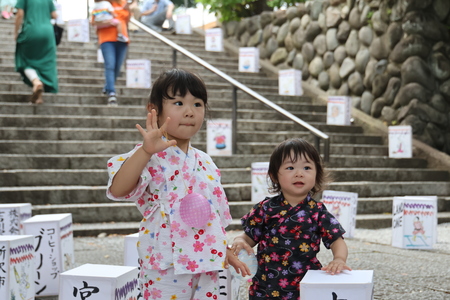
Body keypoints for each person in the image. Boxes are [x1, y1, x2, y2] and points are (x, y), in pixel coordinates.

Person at [106, 69, 249, 299]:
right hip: (165, 260)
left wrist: (225, 250)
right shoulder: (147, 155)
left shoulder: (205, 161)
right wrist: (145, 151)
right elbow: (118, 189)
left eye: (198, 104)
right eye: (179, 102)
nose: (190, 112)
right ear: (154, 110)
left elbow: (216, 212)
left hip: (208, 258)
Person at [231, 138, 352, 300]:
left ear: (317, 174)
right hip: (266, 285)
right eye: (290, 167)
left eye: (307, 167)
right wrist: (240, 240)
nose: (299, 173)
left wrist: (339, 258)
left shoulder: (318, 212)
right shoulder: (266, 208)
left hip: (305, 284)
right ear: (274, 176)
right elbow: (249, 237)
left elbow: (337, 240)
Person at [14, 0, 58, 104]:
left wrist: (16, 32)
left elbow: (20, 14)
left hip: (31, 30)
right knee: (44, 63)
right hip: (48, 33)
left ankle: (36, 81)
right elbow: (55, 15)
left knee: (24, 60)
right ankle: (39, 98)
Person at [92, 0, 130, 106]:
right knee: (110, 65)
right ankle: (111, 93)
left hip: (122, 39)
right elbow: (94, 22)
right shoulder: (100, 4)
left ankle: (107, 86)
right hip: (106, 38)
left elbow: (126, 19)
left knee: (117, 67)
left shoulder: (123, 3)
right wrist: (108, 22)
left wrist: (129, 10)